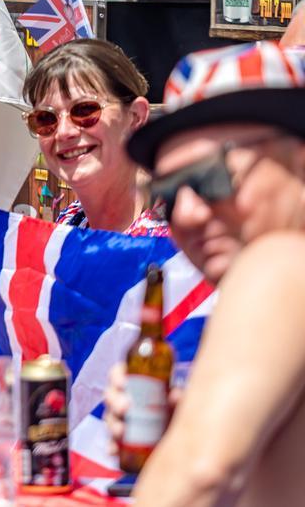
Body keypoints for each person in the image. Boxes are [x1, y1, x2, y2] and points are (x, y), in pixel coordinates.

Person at [114, 41, 305, 504]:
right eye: (171, 195)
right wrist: (191, 427)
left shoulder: (281, 260)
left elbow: (199, 476)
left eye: (212, 178)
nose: (191, 214)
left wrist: (187, 453)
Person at [22, 38, 166, 236]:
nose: (64, 132)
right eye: (45, 118)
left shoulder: (185, 237)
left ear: (135, 116)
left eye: (85, 110)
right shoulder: (70, 223)